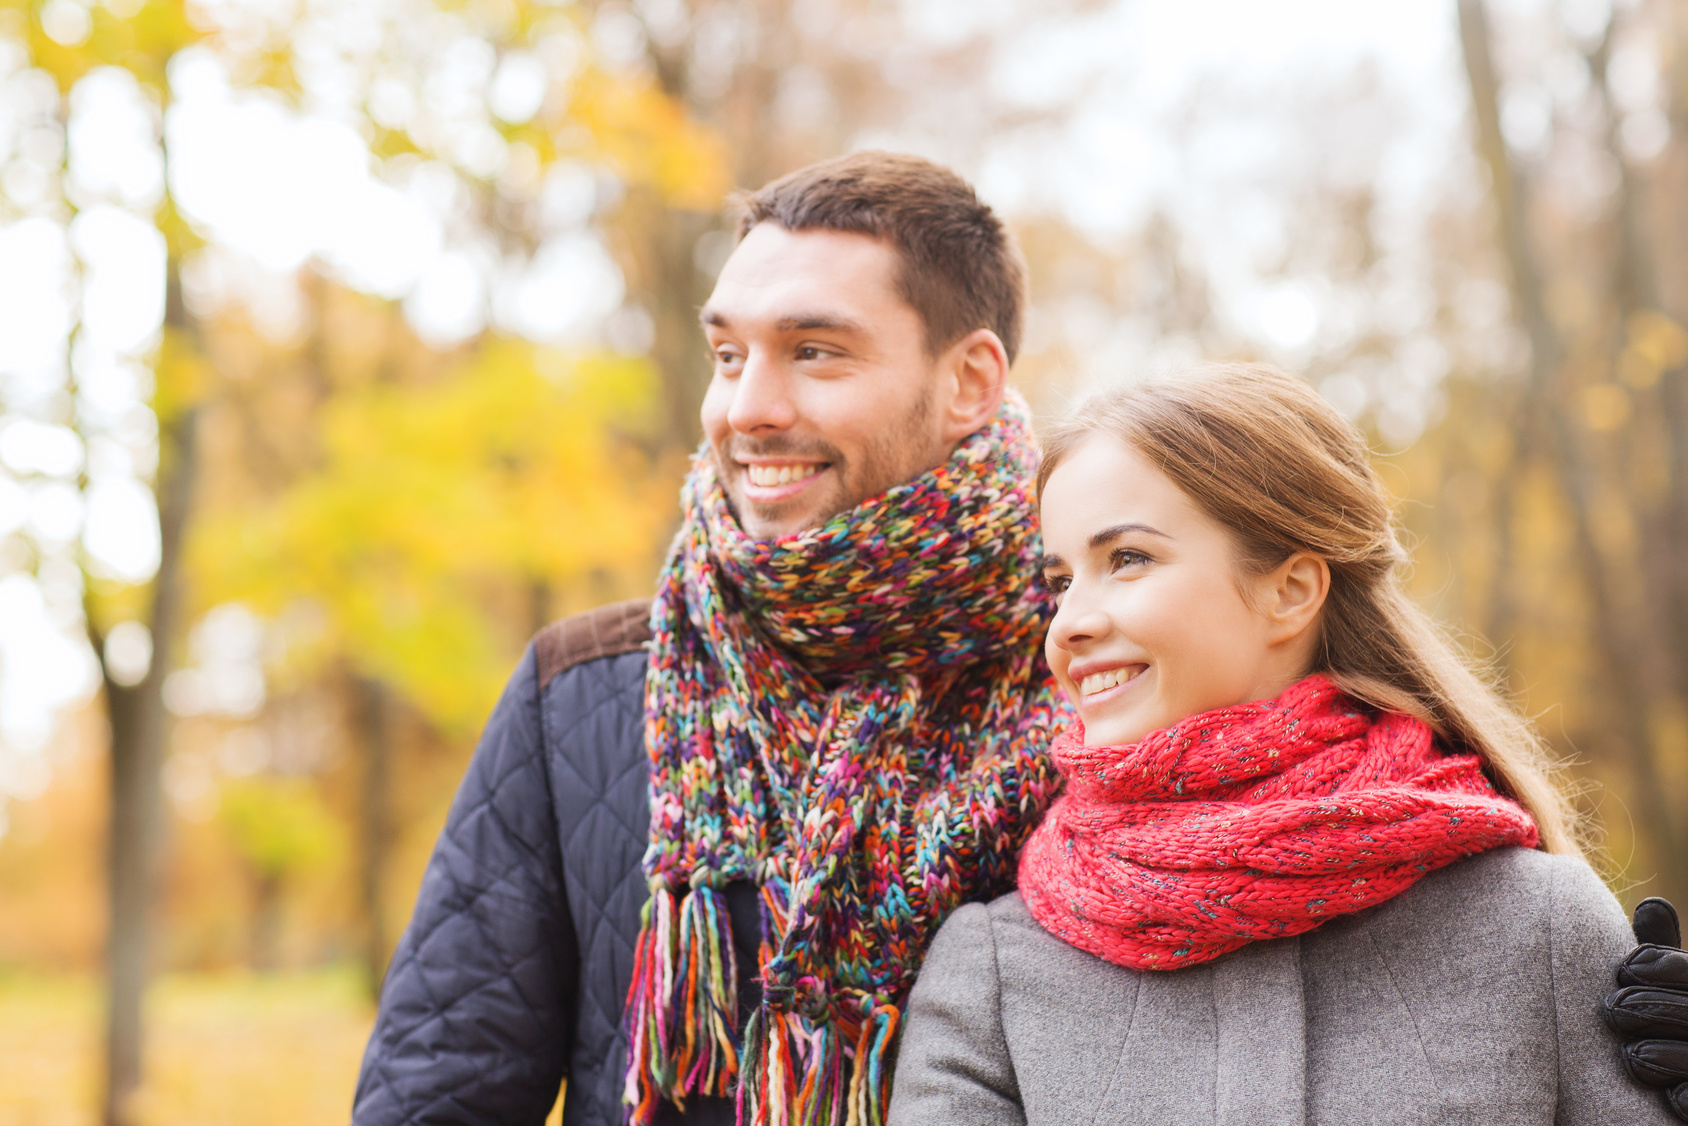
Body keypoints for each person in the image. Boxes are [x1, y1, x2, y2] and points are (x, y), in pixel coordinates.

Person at [351, 152, 1688, 1126]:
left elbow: (1306, 890)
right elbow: (437, 1087)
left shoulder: (1125, 704)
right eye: (727, 353)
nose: (747, 407)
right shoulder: (591, 692)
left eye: (815, 351)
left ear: (970, 377)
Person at [887, 363, 1677, 1125]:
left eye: (1127, 559)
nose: (1069, 624)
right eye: (1061, 579)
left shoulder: (1538, 927)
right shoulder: (992, 974)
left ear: (1289, 591)